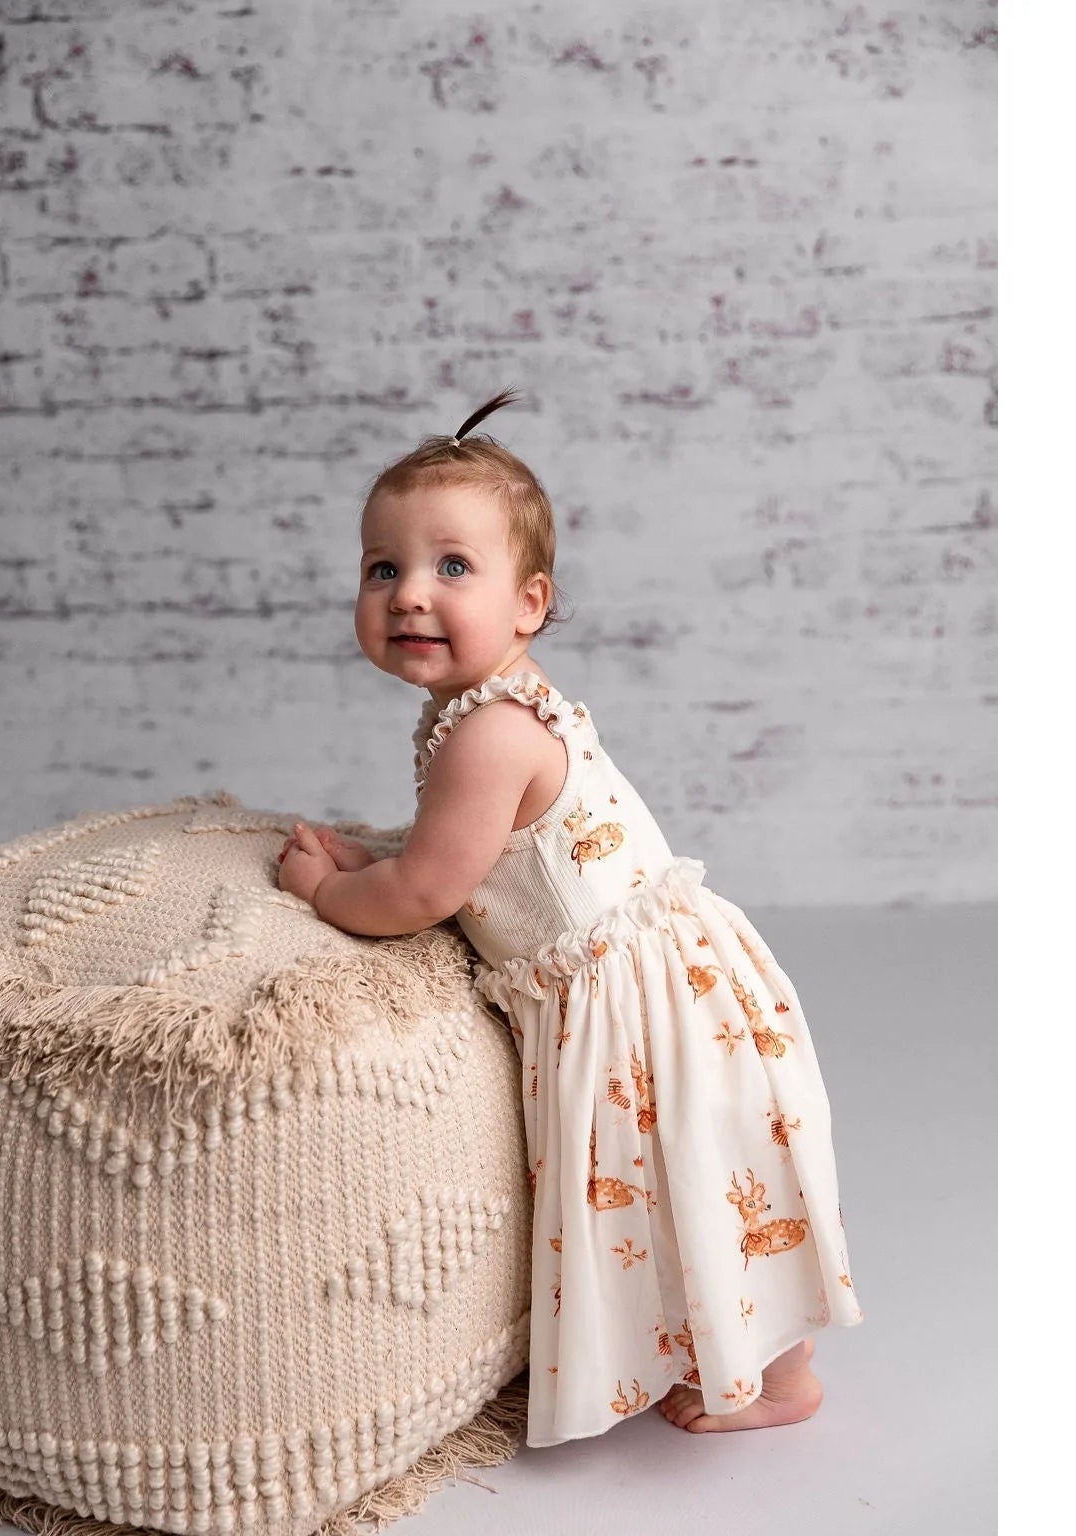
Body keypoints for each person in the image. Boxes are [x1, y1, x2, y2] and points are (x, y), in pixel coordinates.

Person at [276, 388, 863, 1448]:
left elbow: (425, 893)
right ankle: (760, 1358)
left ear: (529, 603)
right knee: (696, 1176)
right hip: (667, 980)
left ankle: (780, 1378)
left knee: (692, 1178)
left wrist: (326, 891)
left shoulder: (487, 735)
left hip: (636, 1011)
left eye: (454, 567)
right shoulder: (490, 704)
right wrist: (385, 856)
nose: (412, 594)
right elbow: (472, 852)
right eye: (383, 568)